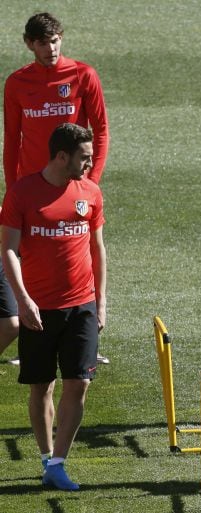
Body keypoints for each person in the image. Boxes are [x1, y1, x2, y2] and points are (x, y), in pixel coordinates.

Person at [0, 123, 107, 491]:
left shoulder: (91, 192)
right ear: (62, 156)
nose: (90, 164)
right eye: (84, 157)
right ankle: (47, 458)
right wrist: (23, 298)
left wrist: (102, 299)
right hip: (39, 307)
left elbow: (97, 248)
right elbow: (9, 250)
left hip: (82, 305)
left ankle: (59, 462)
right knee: (41, 385)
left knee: (79, 382)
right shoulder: (23, 193)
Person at [3, 12, 110, 365]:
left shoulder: (83, 75)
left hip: (74, 189)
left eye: (55, 40)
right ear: (29, 44)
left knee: (77, 253)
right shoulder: (17, 83)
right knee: (29, 257)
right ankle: (36, 331)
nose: (51, 49)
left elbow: (101, 131)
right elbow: (12, 141)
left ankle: (83, 332)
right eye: (43, 43)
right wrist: (13, 188)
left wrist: (89, 183)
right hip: (31, 190)